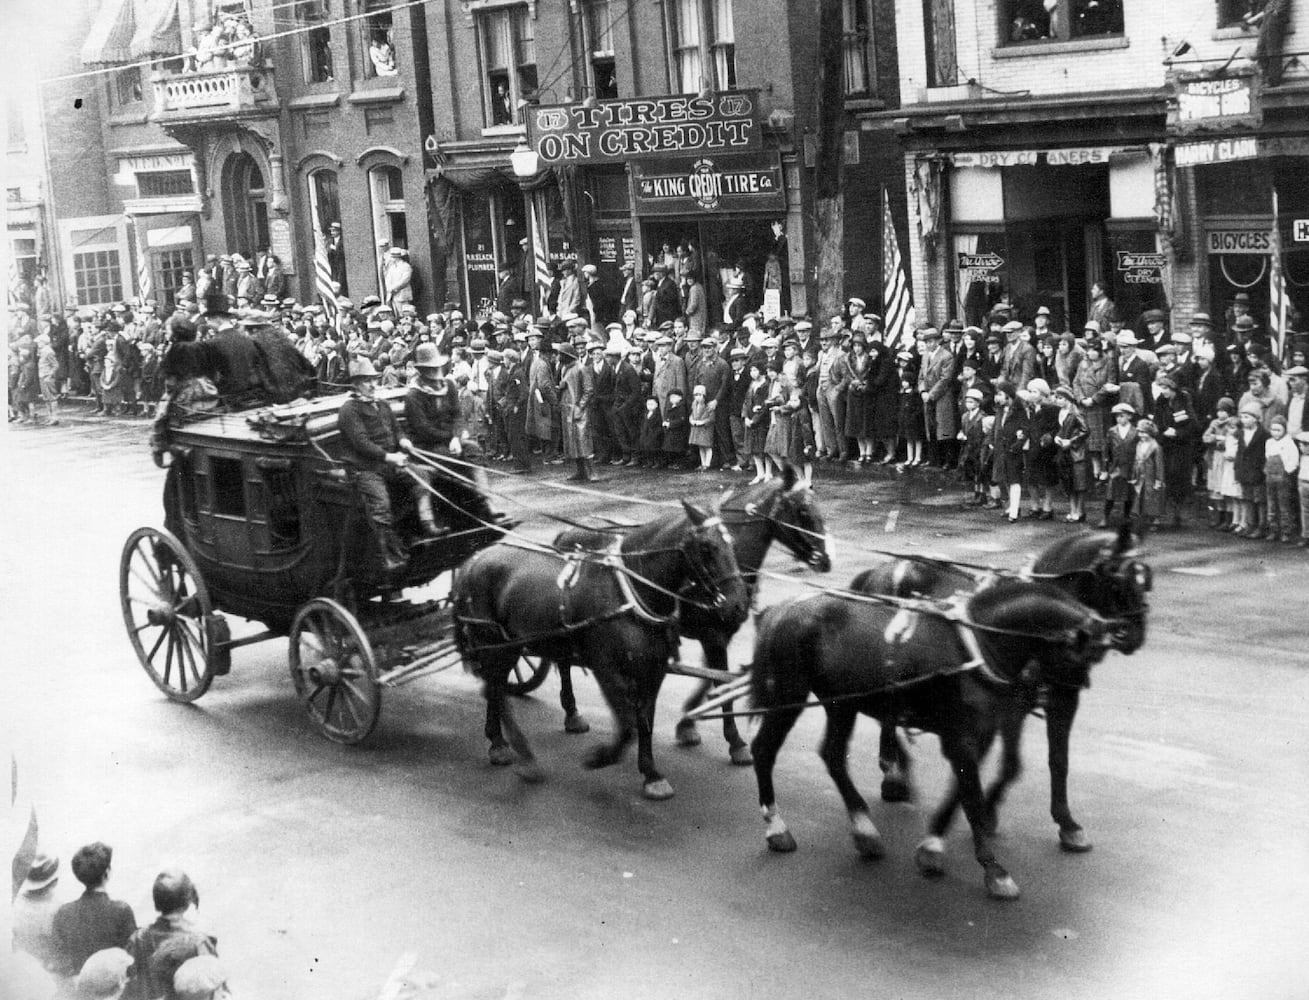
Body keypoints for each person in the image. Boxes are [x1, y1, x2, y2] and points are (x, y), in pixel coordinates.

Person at [338, 357, 424, 573]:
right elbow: (361, 443)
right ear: (355, 384)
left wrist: (403, 441)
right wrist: (390, 457)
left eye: (373, 379)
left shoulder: (382, 404)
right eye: (366, 381)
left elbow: (396, 429)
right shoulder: (349, 410)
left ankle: (423, 530)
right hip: (364, 469)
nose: (372, 384)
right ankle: (389, 557)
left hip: (388, 464)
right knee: (382, 506)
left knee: (423, 477)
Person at [124, 870, 217, 1000]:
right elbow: (215, 989)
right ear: (187, 901)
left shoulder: (137, 939)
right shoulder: (199, 943)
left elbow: (126, 987)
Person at [52, 843, 136, 978]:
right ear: (107, 873)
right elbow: (132, 964)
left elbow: (58, 964)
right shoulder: (122, 911)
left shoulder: (63, 913)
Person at [12, 854, 62, 971]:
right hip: (45, 973)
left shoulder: (14, 904)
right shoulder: (57, 909)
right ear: (54, 881)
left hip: (17, 969)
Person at [556, 341, 597, 482]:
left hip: (579, 410)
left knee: (583, 441)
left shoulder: (582, 368)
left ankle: (592, 472)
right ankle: (579, 471)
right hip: (567, 409)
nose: (558, 356)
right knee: (572, 443)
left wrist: (580, 406)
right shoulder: (564, 369)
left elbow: (589, 390)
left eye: (560, 354)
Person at [1100, 402, 1140, 529]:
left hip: (1130, 466)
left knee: (1128, 493)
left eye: (1122, 416)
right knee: (1110, 493)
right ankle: (1105, 517)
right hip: (1115, 467)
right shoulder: (1112, 431)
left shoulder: (1136, 432)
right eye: (1117, 416)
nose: (1119, 419)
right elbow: (1106, 451)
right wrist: (1104, 469)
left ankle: (1127, 517)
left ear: (1129, 416)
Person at [1053, 386, 1090, 522]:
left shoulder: (1076, 413)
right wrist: (1057, 437)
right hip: (1065, 451)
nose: (1058, 401)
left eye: (1061, 398)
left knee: (1079, 484)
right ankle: (1073, 510)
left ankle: (1079, 511)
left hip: (1077, 453)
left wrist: (1072, 441)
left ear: (1068, 399)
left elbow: (1085, 431)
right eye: (1056, 398)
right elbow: (1062, 429)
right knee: (1069, 483)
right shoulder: (1061, 413)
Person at [1261, 415, 1298, 543]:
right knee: (1271, 504)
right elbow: (1267, 456)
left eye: (1278, 430)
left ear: (1284, 430)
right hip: (1270, 477)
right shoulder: (1269, 442)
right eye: (1273, 430)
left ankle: (1286, 531)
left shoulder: (1289, 443)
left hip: (1283, 479)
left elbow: (1293, 460)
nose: (1275, 433)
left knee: (1283, 505)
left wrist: (1286, 471)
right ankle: (1273, 529)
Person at [1131, 418, 1165, 534]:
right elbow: (1136, 460)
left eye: (1144, 432)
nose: (1142, 435)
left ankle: (1155, 519)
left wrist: (1159, 480)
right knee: (1141, 495)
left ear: (1150, 433)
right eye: (1140, 432)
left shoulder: (1155, 446)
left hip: (1151, 475)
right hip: (1140, 474)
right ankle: (1143, 516)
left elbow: (1159, 465)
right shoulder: (1139, 444)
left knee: (1152, 497)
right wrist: (1134, 475)